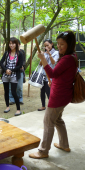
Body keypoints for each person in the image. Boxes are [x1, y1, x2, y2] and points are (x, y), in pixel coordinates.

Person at [29, 31, 77, 159]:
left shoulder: (67, 58)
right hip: (64, 93)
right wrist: (54, 81)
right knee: (58, 120)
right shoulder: (72, 56)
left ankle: (43, 151)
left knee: (48, 121)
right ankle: (64, 144)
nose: (59, 46)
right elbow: (60, 74)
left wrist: (43, 59)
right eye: (58, 43)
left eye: (62, 44)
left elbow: (53, 73)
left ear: (70, 44)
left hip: (59, 96)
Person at [0, 37, 23, 116]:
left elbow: (20, 65)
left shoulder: (20, 53)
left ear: (16, 44)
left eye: (13, 43)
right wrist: (6, 70)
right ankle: (7, 107)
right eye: (10, 43)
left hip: (14, 75)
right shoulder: (7, 53)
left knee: (13, 92)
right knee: (6, 91)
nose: (11, 45)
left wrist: (11, 71)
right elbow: (1, 63)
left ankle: (18, 109)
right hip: (5, 75)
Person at [37, 39, 59, 111]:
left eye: (47, 45)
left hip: (51, 75)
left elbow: (53, 63)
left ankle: (52, 106)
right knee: (42, 91)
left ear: (52, 44)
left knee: (49, 91)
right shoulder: (45, 53)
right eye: (45, 46)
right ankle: (43, 106)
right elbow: (40, 64)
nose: (46, 47)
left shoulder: (56, 53)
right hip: (43, 74)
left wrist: (49, 54)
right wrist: (41, 56)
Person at [9, 39, 26, 105]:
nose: (13, 45)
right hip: (11, 71)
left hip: (19, 71)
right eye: (11, 44)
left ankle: (20, 99)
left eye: (16, 44)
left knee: (19, 87)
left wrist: (22, 65)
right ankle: (11, 99)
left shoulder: (22, 52)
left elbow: (23, 61)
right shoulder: (9, 52)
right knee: (11, 87)